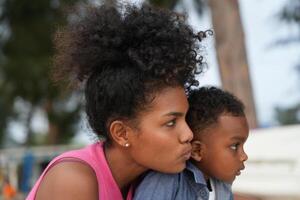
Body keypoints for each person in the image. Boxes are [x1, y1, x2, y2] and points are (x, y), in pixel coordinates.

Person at [26, 2, 209, 200]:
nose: (188, 134)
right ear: (121, 133)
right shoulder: (72, 181)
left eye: (185, 118)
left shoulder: (153, 181)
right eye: (170, 122)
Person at [134, 86, 249, 200]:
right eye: (234, 146)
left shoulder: (222, 186)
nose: (244, 156)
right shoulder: (165, 181)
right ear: (197, 151)